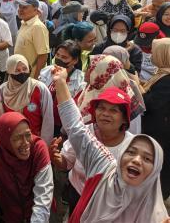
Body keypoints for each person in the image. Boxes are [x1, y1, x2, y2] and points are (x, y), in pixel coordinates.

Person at [52, 66, 168, 223]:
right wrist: (60, 82)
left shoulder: (156, 216)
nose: (136, 160)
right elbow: (74, 126)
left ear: (155, 172)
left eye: (147, 159)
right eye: (131, 152)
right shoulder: (104, 165)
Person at [51, 86, 134, 214]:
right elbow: (66, 163)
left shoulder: (132, 147)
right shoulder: (84, 133)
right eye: (101, 108)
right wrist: (56, 158)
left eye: (113, 110)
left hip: (108, 205)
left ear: (124, 118)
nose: (105, 113)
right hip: (78, 194)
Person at [77, 55, 145, 133]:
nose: (86, 71)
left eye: (91, 69)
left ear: (103, 72)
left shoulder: (128, 102)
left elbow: (133, 134)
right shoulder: (91, 89)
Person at [0, 54, 54, 144]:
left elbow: (48, 119)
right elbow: (1, 118)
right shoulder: (3, 90)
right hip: (12, 141)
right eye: (17, 70)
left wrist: (44, 145)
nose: (22, 72)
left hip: (35, 141)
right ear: (10, 71)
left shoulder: (39, 88)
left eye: (24, 69)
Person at [142, 38, 170, 199]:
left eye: (155, 51)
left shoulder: (166, 80)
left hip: (160, 136)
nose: (152, 54)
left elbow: (151, 104)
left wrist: (139, 90)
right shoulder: (162, 74)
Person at [40, 40, 85, 135]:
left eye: (64, 57)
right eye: (57, 55)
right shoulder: (46, 72)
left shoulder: (80, 80)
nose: (59, 59)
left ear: (75, 60)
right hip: (44, 121)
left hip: (64, 126)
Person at [14, 0, 50, 79]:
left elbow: (43, 56)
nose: (20, 10)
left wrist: (35, 79)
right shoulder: (24, 23)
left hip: (30, 77)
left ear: (35, 10)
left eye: (25, 7)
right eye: (20, 7)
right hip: (21, 75)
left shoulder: (37, 27)